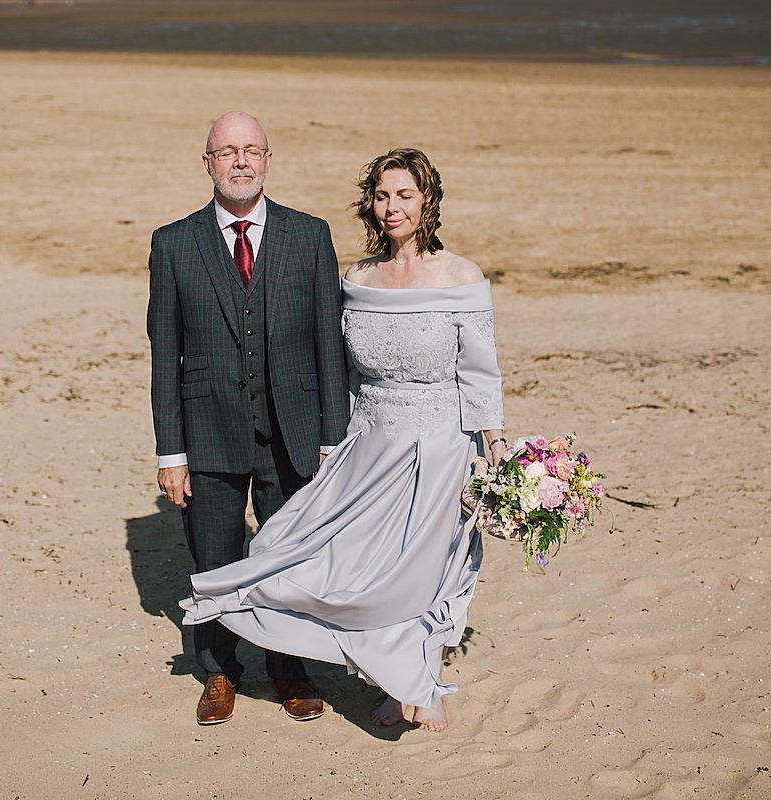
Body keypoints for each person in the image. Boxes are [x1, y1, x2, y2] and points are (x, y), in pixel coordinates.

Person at [181, 147, 506, 732]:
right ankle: (386, 676)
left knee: (426, 568)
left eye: (405, 195)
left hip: (441, 444)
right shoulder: (357, 279)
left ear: (427, 200)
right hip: (371, 442)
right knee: (360, 566)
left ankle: (421, 686)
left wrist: (494, 452)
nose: (392, 208)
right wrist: (336, 440)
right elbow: (343, 370)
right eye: (383, 196)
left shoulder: (463, 276)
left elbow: (480, 374)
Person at [146, 112, 351, 725]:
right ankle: (218, 672)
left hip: (292, 428)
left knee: (289, 555)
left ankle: (289, 667)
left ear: (268, 158)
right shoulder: (173, 242)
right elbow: (164, 350)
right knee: (213, 558)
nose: (240, 161)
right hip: (208, 431)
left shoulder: (309, 235)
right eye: (226, 151)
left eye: (251, 151)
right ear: (206, 162)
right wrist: (170, 452)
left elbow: (328, 342)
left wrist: (331, 437)